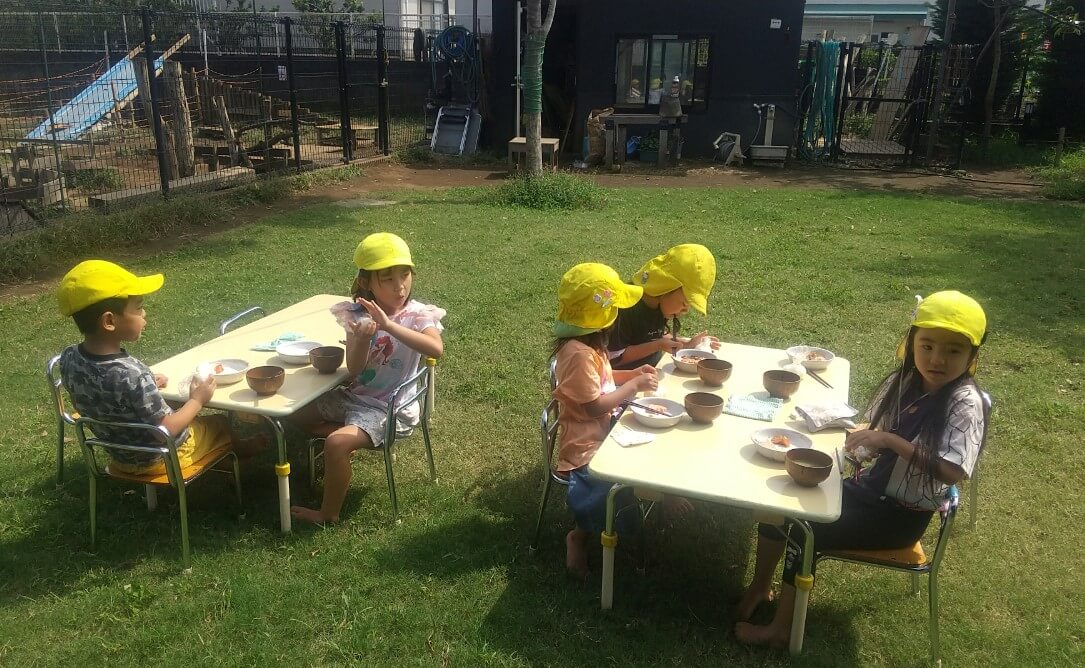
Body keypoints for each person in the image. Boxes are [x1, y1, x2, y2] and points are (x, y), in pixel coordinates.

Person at [734, 291, 989, 647]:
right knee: (781, 501)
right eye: (927, 345)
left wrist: (888, 441)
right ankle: (760, 587)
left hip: (897, 517)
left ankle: (780, 631)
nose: (937, 359)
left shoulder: (965, 403)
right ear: (912, 341)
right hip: (872, 492)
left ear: (972, 355)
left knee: (804, 529)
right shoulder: (907, 381)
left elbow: (952, 471)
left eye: (953, 350)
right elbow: (879, 435)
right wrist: (862, 443)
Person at [291, 233, 445, 525]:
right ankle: (345, 441)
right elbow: (355, 368)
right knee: (294, 412)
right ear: (366, 283)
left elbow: (435, 348)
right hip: (354, 398)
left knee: (336, 443)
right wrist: (362, 339)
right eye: (387, 279)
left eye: (405, 275)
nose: (400, 286)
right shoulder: (355, 314)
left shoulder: (417, 315)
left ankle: (328, 514)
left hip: (392, 410)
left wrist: (388, 326)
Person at [56, 260, 263, 476]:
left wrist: (142, 387)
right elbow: (166, 430)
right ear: (109, 321)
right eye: (138, 308)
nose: (144, 314)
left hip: (120, 457)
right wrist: (197, 399)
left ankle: (221, 461)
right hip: (161, 457)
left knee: (179, 409)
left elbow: (100, 389)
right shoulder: (133, 374)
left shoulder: (69, 358)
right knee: (217, 424)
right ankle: (239, 454)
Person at [551, 262, 660, 578]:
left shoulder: (591, 347)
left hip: (605, 425)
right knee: (608, 480)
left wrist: (633, 374)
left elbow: (605, 381)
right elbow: (591, 407)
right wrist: (633, 387)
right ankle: (579, 536)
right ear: (604, 318)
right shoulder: (578, 354)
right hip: (586, 439)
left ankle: (655, 501)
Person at [609, 244, 719, 371]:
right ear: (666, 287)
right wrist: (658, 345)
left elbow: (652, 336)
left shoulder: (659, 304)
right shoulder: (626, 307)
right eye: (684, 303)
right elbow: (614, 357)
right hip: (621, 382)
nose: (685, 310)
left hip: (648, 378)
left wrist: (687, 344)